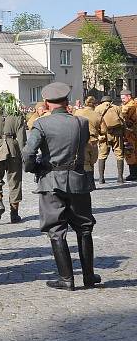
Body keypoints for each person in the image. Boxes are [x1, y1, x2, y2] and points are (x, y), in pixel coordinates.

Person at [23, 82, 100, 290]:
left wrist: (34, 168)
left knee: (56, 230)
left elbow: (29, 153)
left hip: (50, 181)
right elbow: (83, 147)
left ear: (47, 103)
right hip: (77, 180)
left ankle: (66, 279)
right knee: (84, 228)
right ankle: (89, 276)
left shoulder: (41, 124)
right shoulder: (81, 123)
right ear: (67, 102)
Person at [0, 93, 26, 223]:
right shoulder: (17, 114)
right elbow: (21, 139)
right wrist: (23, 156)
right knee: (15, 182)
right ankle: (14, 214)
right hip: (13, 149)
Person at [94, 95, 124, 184]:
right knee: (119, 154)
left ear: (102, 101)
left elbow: (96, 122)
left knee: (102, 155)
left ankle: (101, 178)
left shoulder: (98, 108)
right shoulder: (117, 107)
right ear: (110, 101)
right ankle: (120, 178)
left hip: (104, 135)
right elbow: (122, 121)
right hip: (116, 134)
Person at [74, 96, 103, 187]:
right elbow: (104, 130)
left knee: (85, 162)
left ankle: (88, 184)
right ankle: (91, 183)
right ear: (94, 104)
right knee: (91, 162)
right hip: (93, 141)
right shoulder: (97, 114)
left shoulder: (77, 112)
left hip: (81, 140)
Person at [119, 89, 137, 181]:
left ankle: (133, 174)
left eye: (123, 98)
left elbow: (122, 116)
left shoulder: (129, 106)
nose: (122, 100)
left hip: (130, 134)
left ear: (129, 97)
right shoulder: (134, 104)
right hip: (133, 133)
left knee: (130, 153)